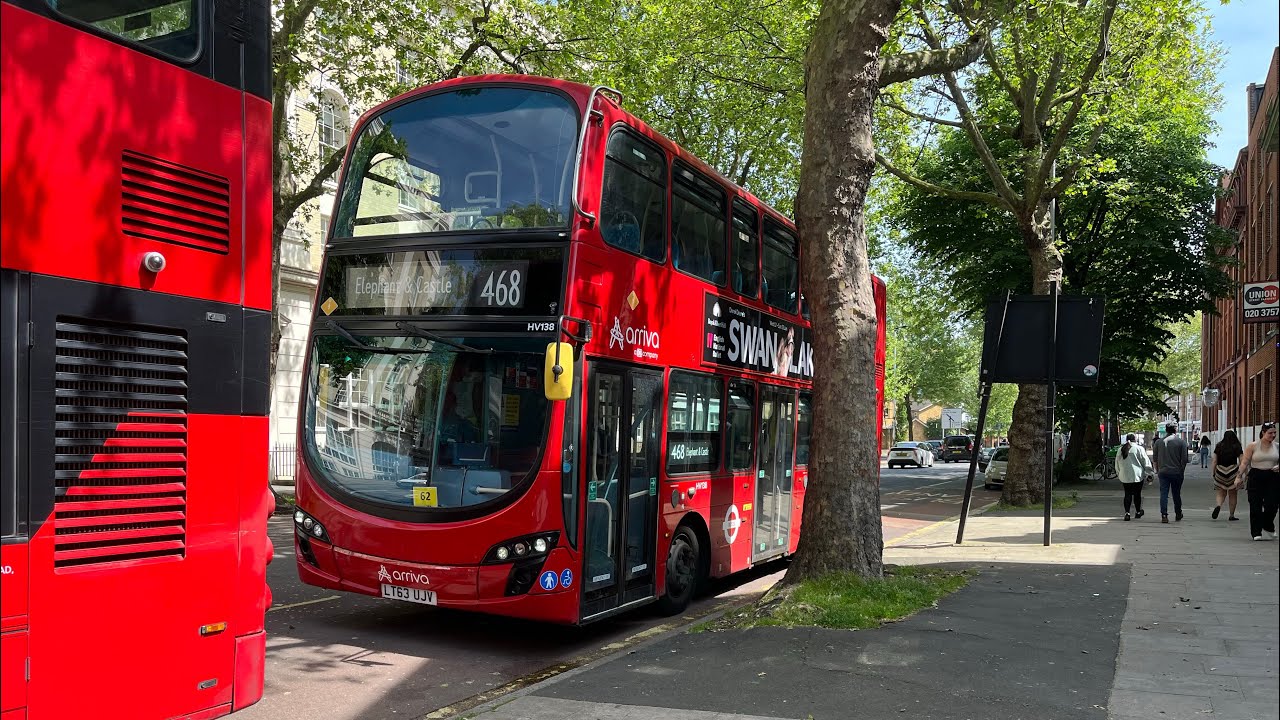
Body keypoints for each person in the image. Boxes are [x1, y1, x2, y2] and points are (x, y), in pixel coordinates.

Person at [1239, 422, 1279, 541]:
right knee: (1255, 504)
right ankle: (1256, 532)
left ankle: (1267, 524)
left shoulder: (1277, 446)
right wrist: (1239, 476)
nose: (1273, 435)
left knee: (1272, 504)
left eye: (1275, 433)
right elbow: (1244, 462)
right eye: (1270, 433)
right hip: (1256, 476)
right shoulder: (1253, 446)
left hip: (1272, 476)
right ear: (1263, 433)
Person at [1153, 424, 1189, 523]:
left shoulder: (1158, 442)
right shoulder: (1181, 442)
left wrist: (1157, 470)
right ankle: (1178, 513)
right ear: (1175, 430)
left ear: (1166, 430)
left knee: (1163, 493)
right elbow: (1184, 459)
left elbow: (1155, 458)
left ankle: (1164, 514)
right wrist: (1182, 470)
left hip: (1163, 471)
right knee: (1176, 493)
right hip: (1176, 471)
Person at [1114, 433, 1152, 521]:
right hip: (1137, 475)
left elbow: (1117, 463)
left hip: (1125, 475)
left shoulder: (1120, 449)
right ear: (1135, 439)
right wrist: (1149, 473)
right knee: (1137, 494)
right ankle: (1138, 511)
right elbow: (1145, 461)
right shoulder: (1139, 448)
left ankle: (1127, 513)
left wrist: (1119, 473)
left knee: (1127, 494)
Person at [1211, 430, 1244, 521]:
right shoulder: (1237, 446)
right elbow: (1242, 461)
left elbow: (1214, 461)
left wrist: (1213, 472)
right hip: (1233, 471)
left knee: (1221, 492)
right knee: (1233, 494)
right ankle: (1231, 515)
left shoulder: (1219, 445)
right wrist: (1244, 473)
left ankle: (1218, 505)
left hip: (1220, 471)